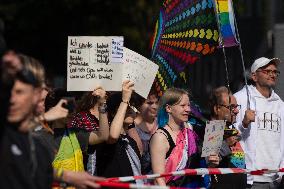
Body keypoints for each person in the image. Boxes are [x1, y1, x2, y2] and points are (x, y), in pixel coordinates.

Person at [150, 88, 219, 187]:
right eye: (182, 106)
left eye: (188, 105)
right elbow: (159, 179)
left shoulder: (192, 132)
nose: (188, 109)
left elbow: (199, 167)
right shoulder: (160, 138)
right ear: (168, 108)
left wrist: (212, 163)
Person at [234, 57, 284, 189]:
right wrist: (243, 123)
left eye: (275, 72)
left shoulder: (280, 105)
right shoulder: (240, 98)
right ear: (254, 76)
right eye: (267, 71)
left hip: (276, 178)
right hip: (250, 178)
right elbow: (227, 135)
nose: (272, 74)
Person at [95, 80, 143, 184]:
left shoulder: (131, 141)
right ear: (113, 112)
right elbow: (113, 136)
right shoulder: (105, 138)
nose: (130, 109)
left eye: (132, 106)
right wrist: (124, 101)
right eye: (126, 106)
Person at [209, 86, 246, 189]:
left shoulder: (228, 128)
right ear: (217, 109)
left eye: (237, 106)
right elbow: (209, 163)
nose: (236, 111)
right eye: (231, 107)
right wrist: (226, 144)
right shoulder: (213, 129)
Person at [127, 91, 158, 175]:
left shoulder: (162, 122)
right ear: (138, 105)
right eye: (149, 103)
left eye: (157, 102)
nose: (155, 106)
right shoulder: (130, 125)